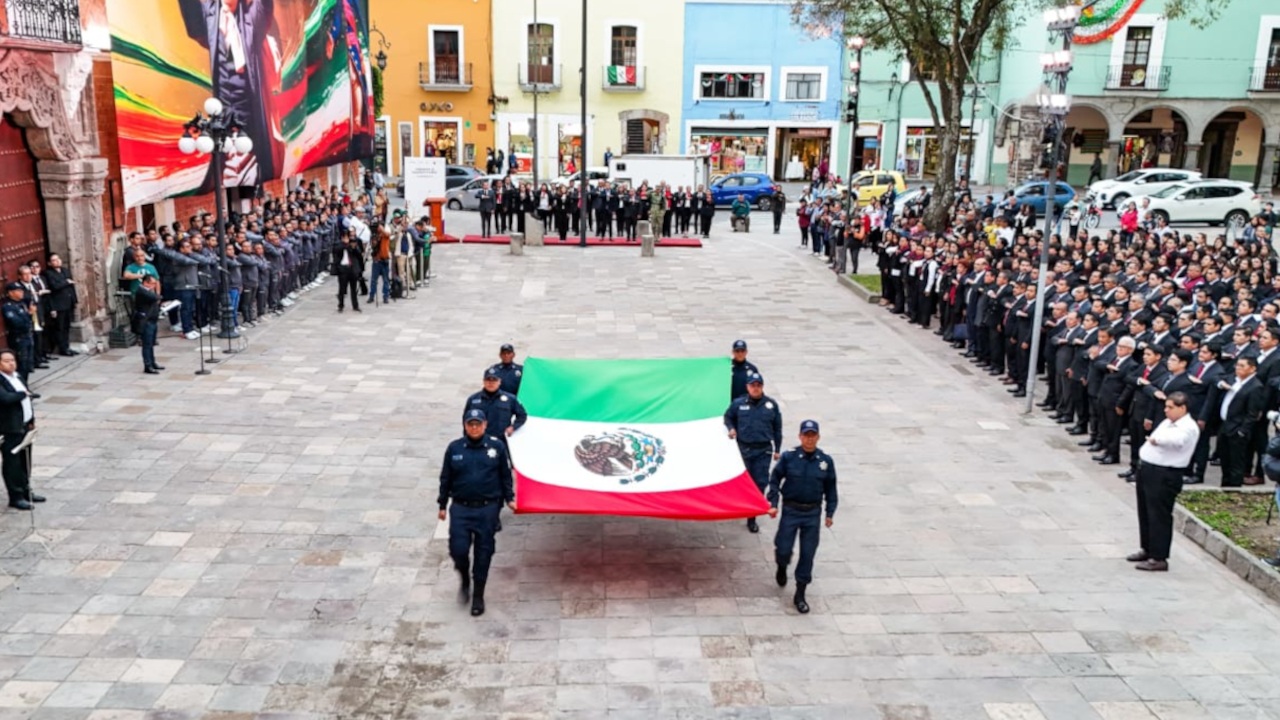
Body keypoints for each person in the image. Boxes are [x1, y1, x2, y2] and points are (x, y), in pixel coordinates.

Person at [438, 408, 516, 617]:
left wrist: (509, 498)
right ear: (465, 425)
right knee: (458, 549)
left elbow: (504, 475)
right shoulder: (454, 448)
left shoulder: (496, 447)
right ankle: (464, 578)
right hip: (461, 508)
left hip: (487, 508)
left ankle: (478, 594)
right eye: (470, 424)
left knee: (483, 553)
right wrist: (442, 504)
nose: (474, 428)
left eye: (478, 424)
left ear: (485, 425)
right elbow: (446, 477)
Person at [767, 419, 838, 614]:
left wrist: (830, 512)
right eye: (806, 435)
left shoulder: (825, 461)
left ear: (818, 437)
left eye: (812, 435)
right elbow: (774, 480)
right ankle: (782, 566)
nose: (809, 439)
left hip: (812, 514)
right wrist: (773, 503)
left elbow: (831, 488)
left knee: (808, 554)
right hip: (791, 510)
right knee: (783, 547)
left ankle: (800, 593)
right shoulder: (790, 457)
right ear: (800, 436)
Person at [1129, 391, 1199, 572]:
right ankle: (1147, 548)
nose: (1166, 410)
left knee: (1158, 515)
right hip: (1148, 469)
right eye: (1166, 406)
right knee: (1145, 511)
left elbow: (1178, 441)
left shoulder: (1188, 427)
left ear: (1182, 408)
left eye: (1170, 407)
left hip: (1165, 473)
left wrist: (1156, 440)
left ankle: (1159, 557)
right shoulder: (1169, 421)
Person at [724, 372, 782, 533]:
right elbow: (728, 417)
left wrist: (777, 449)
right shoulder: (738, 403)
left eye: (758, 385)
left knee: (760, 483)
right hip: (744, 448)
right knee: (743, 481)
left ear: (762, 386)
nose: (755, 388)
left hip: (763, 450)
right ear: (747, 387)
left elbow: (777, 428)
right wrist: (731, 428)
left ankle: (752, 517)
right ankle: (740, 506)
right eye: (752, 385)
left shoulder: (771, 405)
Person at [0, 349, 42, 510]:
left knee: (26, 460)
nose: (11, 363)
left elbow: (28, 399)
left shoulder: (17, 376)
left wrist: (31, 420)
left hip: (24, 425)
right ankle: (15, 495)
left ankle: (26, 490)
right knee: (12, 464)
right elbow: (5, 398)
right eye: (6, 361)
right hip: (9, 428)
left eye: (13, 360)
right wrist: (22, 394)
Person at [465, 367, 528, 445]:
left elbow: (522, 415)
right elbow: (466, 419)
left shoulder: (510, 399)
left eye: (494, 380)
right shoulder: (473, 399)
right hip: (478, 441)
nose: (491, 383)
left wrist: (513, 427)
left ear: (499, 381)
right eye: (488, 380)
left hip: (501, 441)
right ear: (483, 381)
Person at [40, 254, 78, 358]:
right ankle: (62, 348)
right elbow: (54, 286)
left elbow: (71, 286)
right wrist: (66, 282)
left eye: (58, 259)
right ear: (49, 263)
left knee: (67, 326)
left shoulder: (65, 270)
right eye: (54, 260)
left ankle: (67, 346)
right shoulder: (48, 274)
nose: (57, 261)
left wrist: (74, 300)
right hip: (58, 304)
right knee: (59, 327)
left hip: (68, 303)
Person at [2, 282, 35, 386]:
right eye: (18, 291)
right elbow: (17, 323)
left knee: (27, 365)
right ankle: (21, 387)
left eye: (21, 291)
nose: (21, 293)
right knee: (21, 365)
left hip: (27, 337)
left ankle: (25, 386)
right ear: (10, 293)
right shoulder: (8, 306)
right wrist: (29, 314)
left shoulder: (22, 304)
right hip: (18, 338)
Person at [131, 274, 165, 374]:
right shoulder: (142, 291)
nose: (154, 286)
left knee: (151, 343)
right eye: (152, 284)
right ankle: (148, 365)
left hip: (152, 320)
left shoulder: (148, 290)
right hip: (146, 321)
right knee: (147, 344)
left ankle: (153, 362)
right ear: (145, 283)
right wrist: (158, 296)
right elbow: (156, 297)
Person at [332, 231, 364, 313]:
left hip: (352, 269)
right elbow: (337, 250)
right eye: (345, 238)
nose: (347, 239)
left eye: (348, 237)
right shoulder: (338, 244)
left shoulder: (353, 244)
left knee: (354, 289)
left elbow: (359, 254)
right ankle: (341, 305)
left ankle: (355, 305)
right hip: (343, 269)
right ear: (342, 238)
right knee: (342, 289)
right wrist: (345, 245)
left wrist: (354, 247)